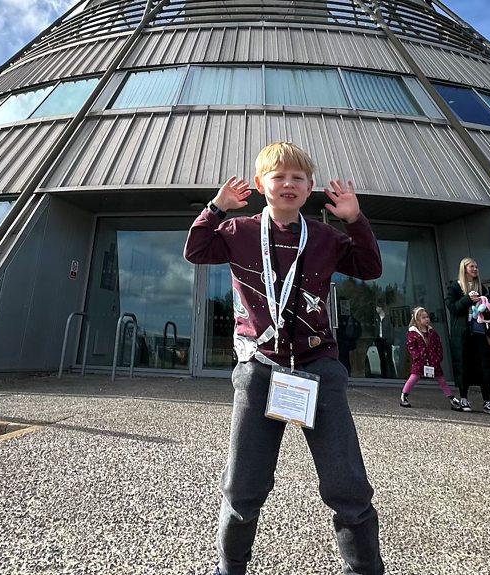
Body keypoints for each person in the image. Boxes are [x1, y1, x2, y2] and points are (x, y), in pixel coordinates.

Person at [184, 141, 385, 575]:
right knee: (243, 487)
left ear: (310, 187)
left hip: (319, 367)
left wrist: (355, 220)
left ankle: (364, 569)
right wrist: (216, 208)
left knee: (347, 485)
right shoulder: (238, 232)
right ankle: (230, 567)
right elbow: (196, 251)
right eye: (278, 177)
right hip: (260, 367)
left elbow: (369, 268)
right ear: (261, 185)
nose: (288, 184)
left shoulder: (326, 236)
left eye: (297, 178)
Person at [445, 258, 490, 414]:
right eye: (471, 266)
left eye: (476, 266)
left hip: (481, 332)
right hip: (462, 334)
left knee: (484, 365)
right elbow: (452, 308)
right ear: (464, 269)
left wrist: (485, 305)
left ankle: (487, 401)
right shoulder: (455, 287)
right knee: (463, 364)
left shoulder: (482, 288)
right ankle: (464, 398)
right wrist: (467, 299)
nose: (475, 269)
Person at [399, 307, 463, 410]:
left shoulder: (433, 333)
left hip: (433, 361)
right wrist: (418, 357)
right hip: (420, 362)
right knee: (413, 378)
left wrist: (438, 357)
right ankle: (404, 396)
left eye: (427, 317)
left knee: (442, 380)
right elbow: (411, 347)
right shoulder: (413, 334)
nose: (427, 319)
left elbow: (439, 345)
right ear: (417, 320)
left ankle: (451, 398)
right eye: (423, 317)